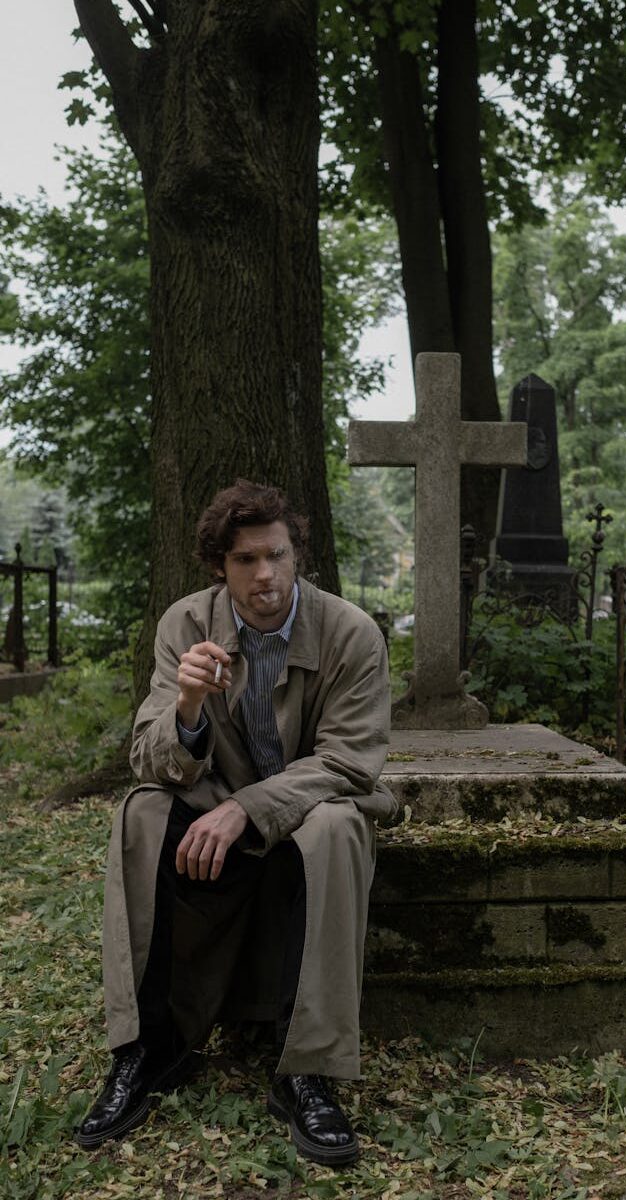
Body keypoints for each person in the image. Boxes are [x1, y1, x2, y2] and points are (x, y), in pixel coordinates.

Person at [75, 480, 396, 1165]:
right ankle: (148, 1051)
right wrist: (187, 706)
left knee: (335, 828)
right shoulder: (184, 625)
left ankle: (306, 1071)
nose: (266, 576)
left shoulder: (350, 633)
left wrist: (246, 809)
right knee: (142, 811)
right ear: (219, 566)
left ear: (297, 554)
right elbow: (149, 759)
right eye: (246, 560)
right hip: (210, 790)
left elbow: (348, 760)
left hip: (316, 803)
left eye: (276, 555)